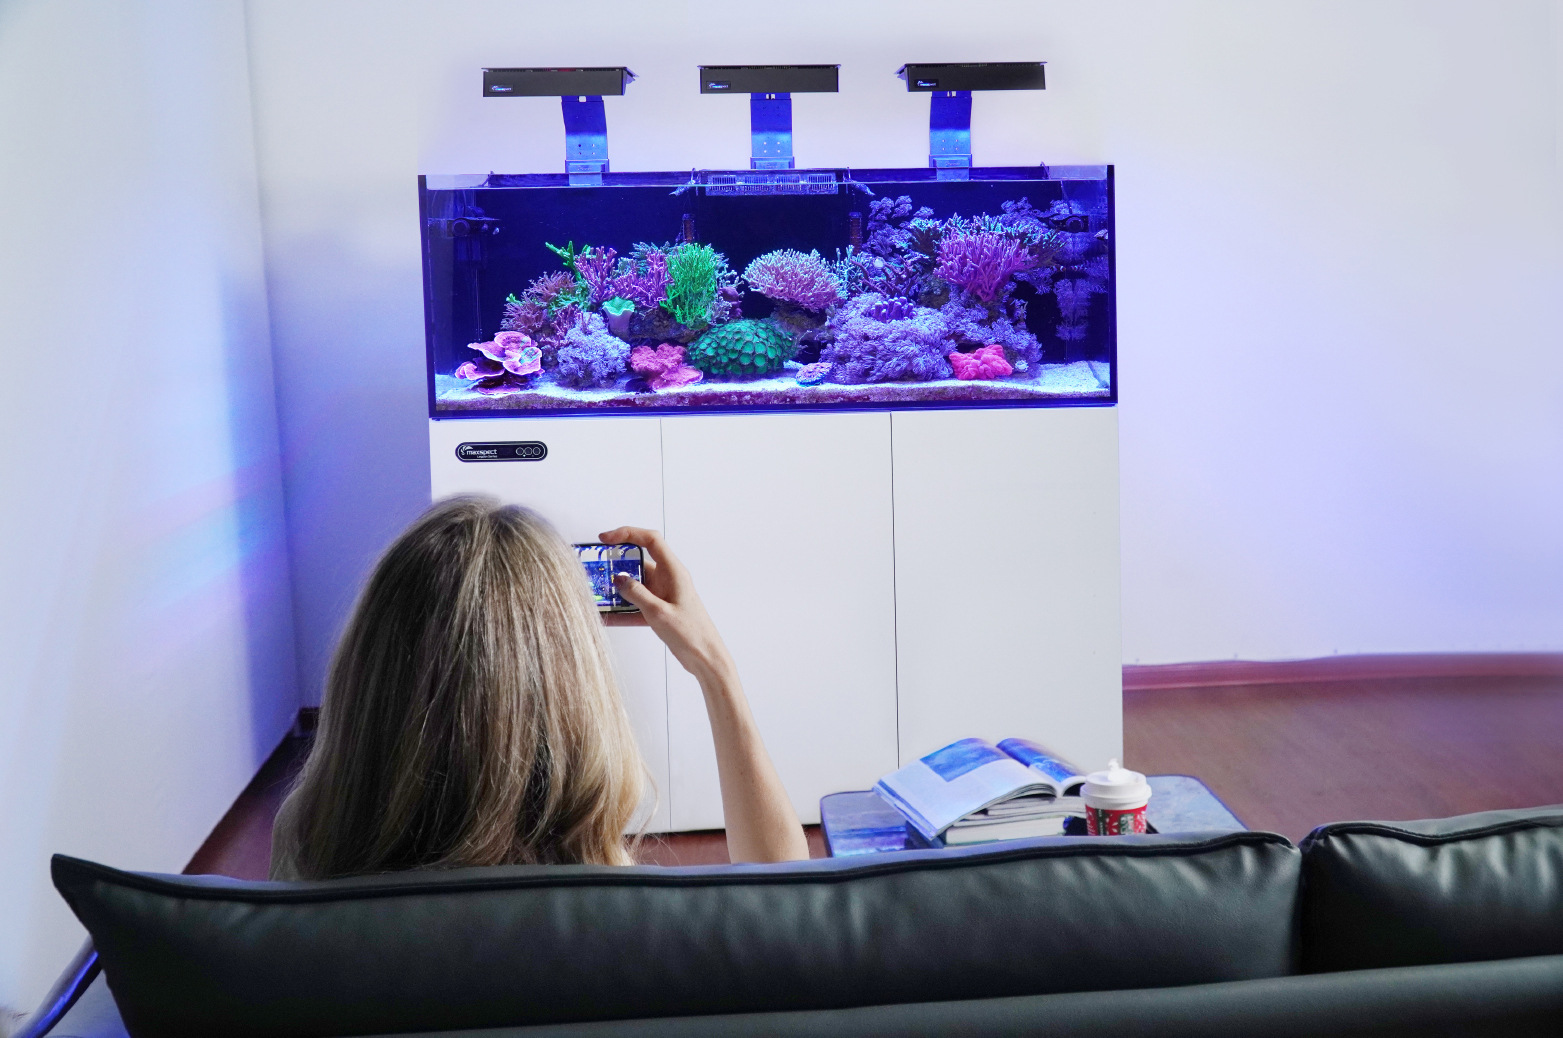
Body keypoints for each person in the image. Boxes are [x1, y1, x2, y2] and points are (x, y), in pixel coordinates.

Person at [270, 495, 808, 880]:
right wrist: (716, 670)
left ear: (366, 677)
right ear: (579, 690)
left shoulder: (300, 859)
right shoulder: (629, 928)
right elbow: (788, 906)